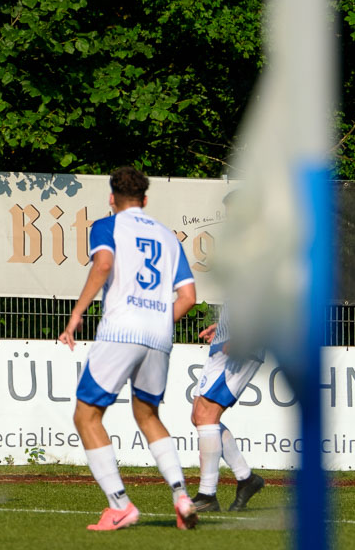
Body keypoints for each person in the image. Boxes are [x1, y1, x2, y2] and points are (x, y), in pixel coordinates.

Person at [60, 166, 199, 531]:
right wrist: (156, 321)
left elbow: (103, 264)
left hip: (122, 330)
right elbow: (189, 297)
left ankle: (120, 505)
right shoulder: (169, 237)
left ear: (111, 198)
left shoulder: (108, 225)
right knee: (148, 415)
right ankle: (182, 496)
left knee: (86, 415)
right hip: (159, 332)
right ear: (145, 199)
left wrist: (76, 315)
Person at [190, 306, 266, 512]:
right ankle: (246, 479)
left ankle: (207, 495)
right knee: (199, 416)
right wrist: (224, 327)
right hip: (224, 341)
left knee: (206, 415)